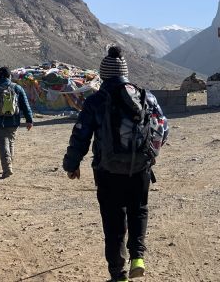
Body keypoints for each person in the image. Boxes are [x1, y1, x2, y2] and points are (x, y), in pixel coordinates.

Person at [63, 46, 164, 282]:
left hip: (107, 171)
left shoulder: (96, 101)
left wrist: (71, 164)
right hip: (140, 168)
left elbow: (81, 135)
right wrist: (150, 155)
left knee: (113, 221)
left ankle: (118, 275)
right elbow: (163, 126)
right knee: (138, 210)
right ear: (126, 72)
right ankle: (138, 257)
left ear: (104, 74)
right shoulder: (145, 96)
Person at [0, 67, 34, 178]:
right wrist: (29, 120)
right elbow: (25, 105)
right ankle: (9, 165)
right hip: (14, 121)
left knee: (3, 144)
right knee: (11, 143)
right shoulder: (17, 87)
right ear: (9, 76)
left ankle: (7, 168)